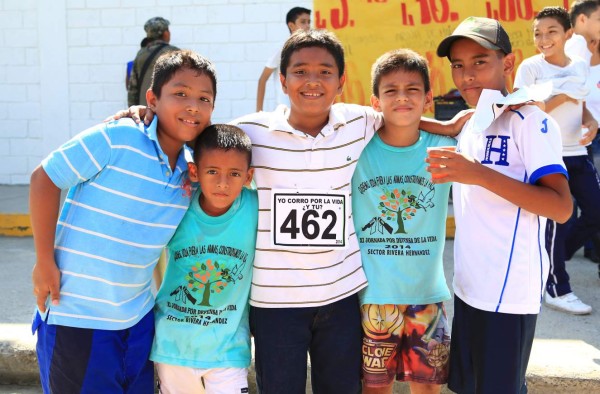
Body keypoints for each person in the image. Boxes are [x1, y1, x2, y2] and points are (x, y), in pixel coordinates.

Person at [114, 29, 470, 393]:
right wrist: (150, 114)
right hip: (275, 305)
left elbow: (401, 116)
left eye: (325, 72)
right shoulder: (251, 131)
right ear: (282, 81)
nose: (312, 81)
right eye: (300, 71)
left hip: (341, 298)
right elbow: (202, 144)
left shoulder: (359, 122)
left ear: (342, 81)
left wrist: (446, 125)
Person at [30, 49, 216, 393]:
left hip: (138, 319)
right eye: (180, 94)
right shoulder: (118, 137)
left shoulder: (191, 171)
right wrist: (43, 262)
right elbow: (44, 178)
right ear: (152, 99)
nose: (193, 105)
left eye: (204, 99)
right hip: (77, 315)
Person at [428, 16, 572, 393]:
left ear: (507, 64)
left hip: (509, 296)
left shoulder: (530, 121)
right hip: (470, 286)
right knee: (469, 386)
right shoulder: (475, 119)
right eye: (457, 66)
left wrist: (477, 174)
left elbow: (561, 207)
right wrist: (443, 128)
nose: (466, 76)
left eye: (479, 62)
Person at [352, 49, 454, 394]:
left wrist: (448, 124)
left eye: (412, 89)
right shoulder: (356, 149)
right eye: (390, 90)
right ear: (374, 101)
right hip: (374, 296)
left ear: (428, 98)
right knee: (374, 387)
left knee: (428, 387)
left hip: (427, 295)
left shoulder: (445, 146)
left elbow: (479, 120)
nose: (402, 97)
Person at [151, 124, 258, 394]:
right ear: (195, 172)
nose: (223, 183)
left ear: (249, 176)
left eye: (234, 173)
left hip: (228, 349)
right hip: (172, 347)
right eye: (213, 172)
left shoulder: (256, 208)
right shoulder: (178, 205)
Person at [514, 6, 599, 315]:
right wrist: (562, 96)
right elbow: (526, 112)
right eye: (538, 33)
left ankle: (550, 260)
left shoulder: (580, 65)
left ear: (568, 34)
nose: (543, 39)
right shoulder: (531, 68)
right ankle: (556, 287)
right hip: (548, 155)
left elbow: (582, 103)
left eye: (551, 32)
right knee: (556, 220)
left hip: (578, 151)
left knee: (595, 210)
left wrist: (591, 122)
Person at [255, 6, 311, 112]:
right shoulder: (282, 48)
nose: (307, 26)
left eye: (309, 22)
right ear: (291, 25)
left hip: (303, 110)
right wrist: (259, 111)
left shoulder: (309, 50)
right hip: (284, 111)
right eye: (303, 22)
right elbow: (262, 79)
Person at [128, 16, 179, 107]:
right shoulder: (175, 53)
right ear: (165, 33)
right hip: (169, 111)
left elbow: (132, 89)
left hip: (146, 113)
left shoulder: (140, 54)